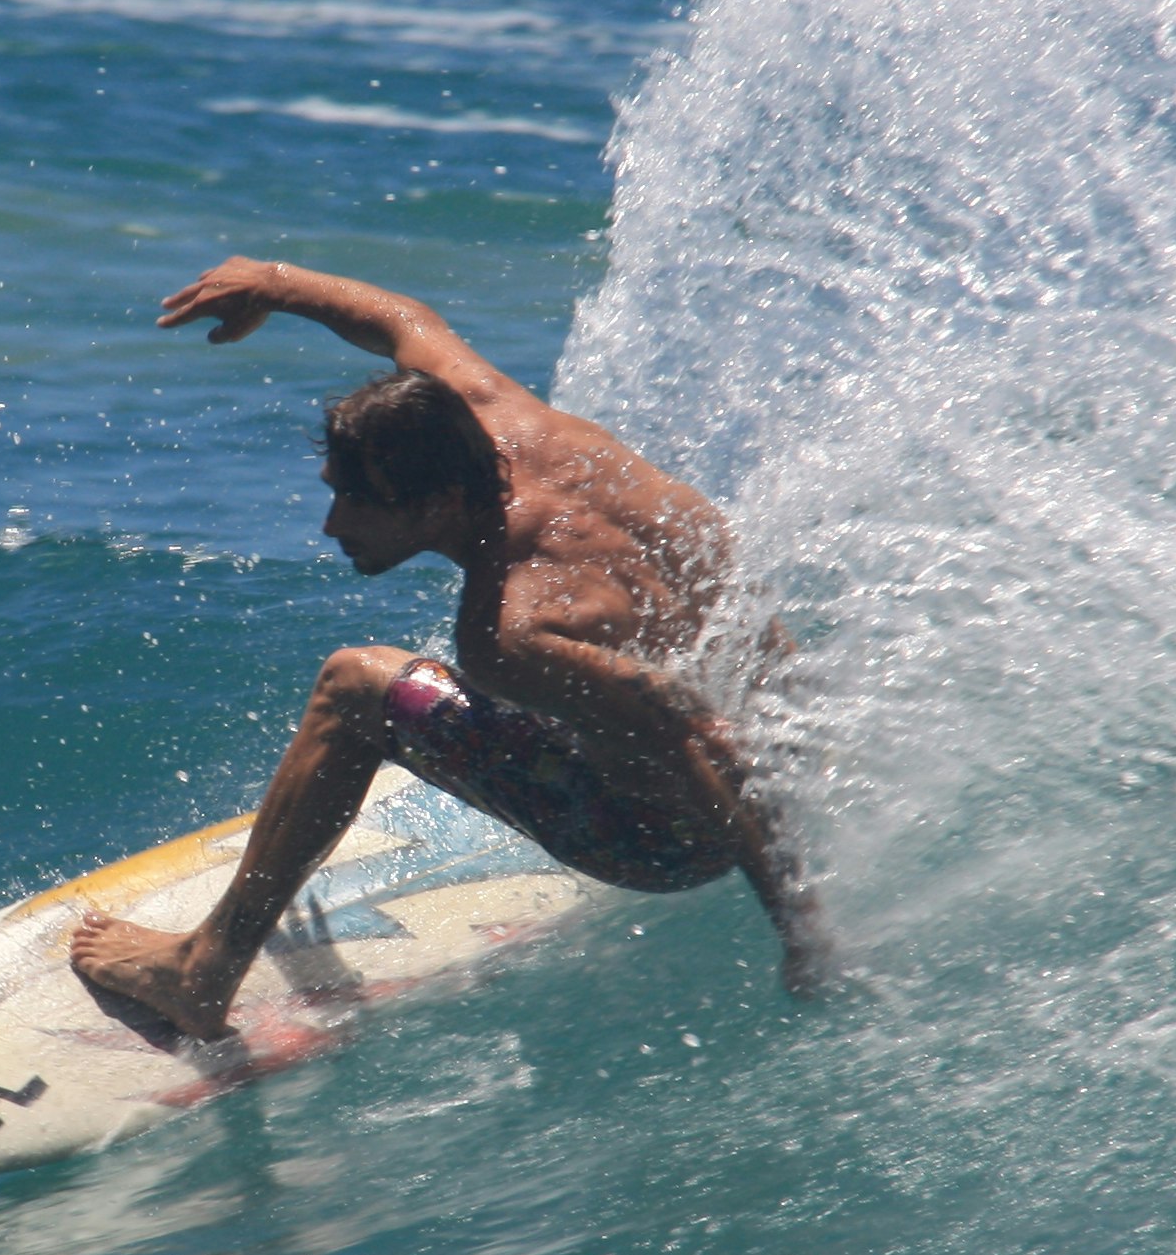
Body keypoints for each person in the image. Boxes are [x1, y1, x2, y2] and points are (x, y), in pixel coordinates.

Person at [69, 256, 825, 1038]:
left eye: (361, 502)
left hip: (675, 836)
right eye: (335, 489)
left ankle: (203, 970)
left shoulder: (515, 633)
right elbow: (401, 319)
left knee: (355, 685)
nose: (333, 524)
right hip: (799, 746)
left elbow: (703, 736)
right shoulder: (503, 421)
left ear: (442, 504)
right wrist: (274, 283)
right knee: (582, 694)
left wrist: (802, 932)